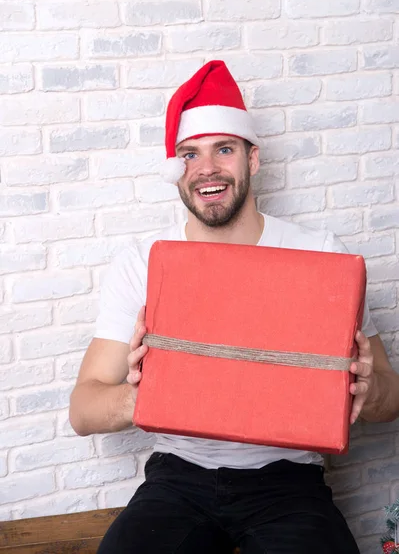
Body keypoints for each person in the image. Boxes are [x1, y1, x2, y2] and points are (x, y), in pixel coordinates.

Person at [69, 60, 399, 554]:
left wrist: (369, 391)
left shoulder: (322, 255)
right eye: (189, 154)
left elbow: (390, 402)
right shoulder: (142, 263)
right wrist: (144, 398)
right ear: (176, 171)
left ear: (253, 159)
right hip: (178, 481)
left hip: (288, 483)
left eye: (224, 149)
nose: (206, 168)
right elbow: (82, 409)